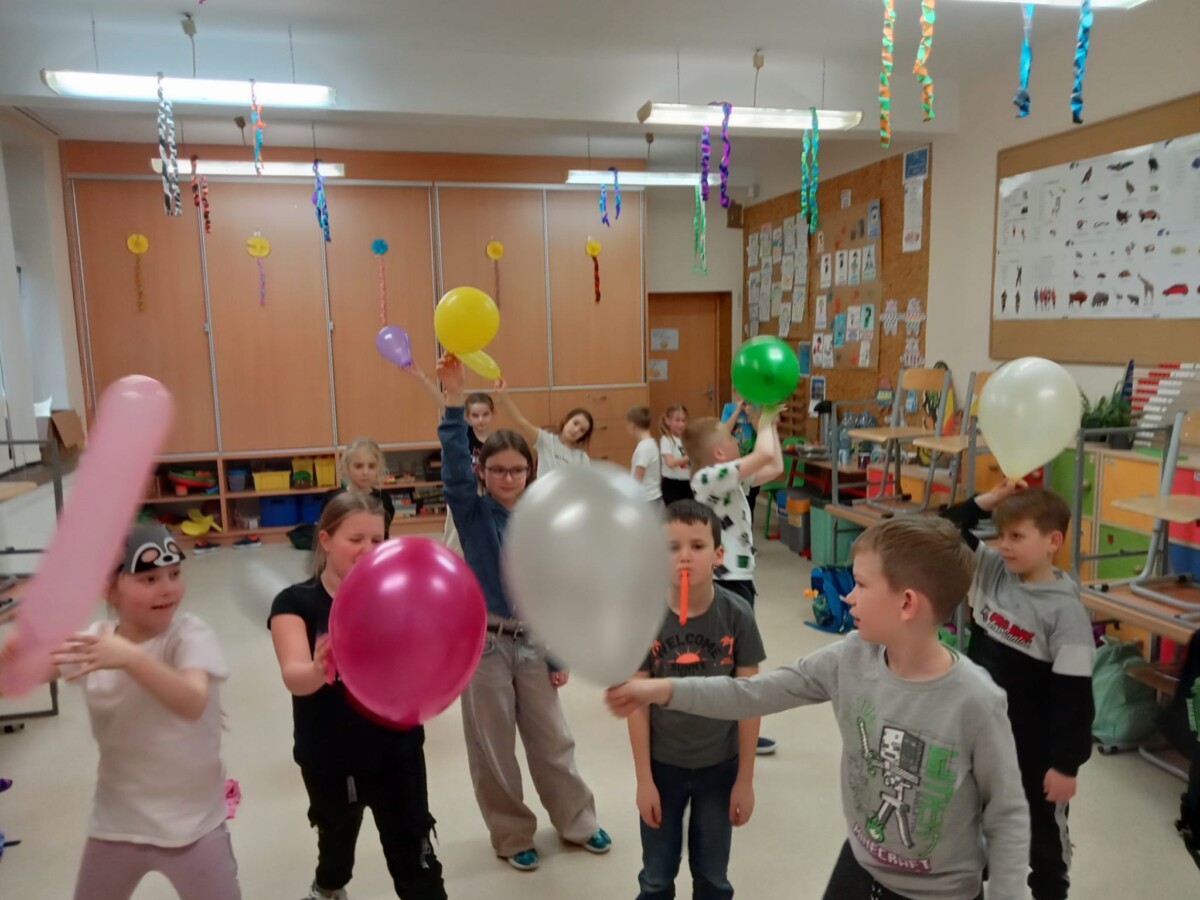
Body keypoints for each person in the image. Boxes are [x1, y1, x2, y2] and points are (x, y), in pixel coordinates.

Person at [607, 516, 1031, 900]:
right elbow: (752, 693)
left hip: (942, 893)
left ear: (906, 603)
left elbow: (1007, 813)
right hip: (860, 867)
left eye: (860, 585)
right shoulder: (849, 658)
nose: (847, 597)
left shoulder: (976, 700)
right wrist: (663, 689)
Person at [0, 524, 241, 900]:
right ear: (109, 589)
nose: (168, 588)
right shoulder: (95, 641)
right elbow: (18, 680)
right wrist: (12, 663)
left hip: (194, 826)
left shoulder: (190, 636)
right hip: (118, 823)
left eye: (175, 573)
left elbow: (193, 701)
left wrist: (131, 659)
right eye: (149, 579)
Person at [438, 353, 610, 872]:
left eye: (517, 469)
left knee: (553, 739)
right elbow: (453, 469)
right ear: (482, 472)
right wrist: (453, 400)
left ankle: (577, 821)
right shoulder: (472, 513)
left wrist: (558, 651)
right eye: (497, 470)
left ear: (530, 472)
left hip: (533, 641)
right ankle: (512, 835)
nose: (508, 477)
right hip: (484, 645)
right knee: (493, 748)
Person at [269, 493, 446, 900]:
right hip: (330, 759)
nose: (368, 550)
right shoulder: (294, 603)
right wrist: (319, 667)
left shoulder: (400, 597)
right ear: (325, 539)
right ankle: (328, 886)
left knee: (416, 859)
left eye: (378, 540)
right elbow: (294, 677)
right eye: (355, 539)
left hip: (397, 752)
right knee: (336, 845)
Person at [944, 481, 1095, 900]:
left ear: (1053, 542)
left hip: (1035, 753)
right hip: (981, 737)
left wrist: (1066, 765)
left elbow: (1075, 699)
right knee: (971, 823)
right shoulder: (992, 570)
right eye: (1001, 535)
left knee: (1043, 839)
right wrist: (987, 501)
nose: (1004, 545)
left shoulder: (1065, 614)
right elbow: (944, 531)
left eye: (1016, 536)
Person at [626, 500, 764, 899]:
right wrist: (644, 780)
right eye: (672, 547)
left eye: (697, 546)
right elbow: (637, 703)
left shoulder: (737, 615)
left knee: (713, 876)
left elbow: (750, 702)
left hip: (720, 767)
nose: (684, 556)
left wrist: (745, 780)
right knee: (656, 876)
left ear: (719, 555)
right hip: (663, 766)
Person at [684, 405, 784, 755]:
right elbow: (764, 454)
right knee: (729, 658)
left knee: (740, 656)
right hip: (723, 582)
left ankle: (740, 730)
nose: (739, 439)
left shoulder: (730, 478)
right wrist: (764, 421)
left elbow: (774, 465)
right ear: (719, 453)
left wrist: (768, 426)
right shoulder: (707, 479)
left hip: (739, 578)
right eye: (732, 437)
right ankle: (724, 731)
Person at [493, 379, 593, 476]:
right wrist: (503, 395)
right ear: (566, 420)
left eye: (582, 430)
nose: (576, 430)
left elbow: (585, 482)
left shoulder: (582, 457)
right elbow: (519, 420)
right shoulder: (545, 440)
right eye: (575, 423)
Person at [320, 436, 395, 536]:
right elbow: (327, 531)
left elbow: (383, 533)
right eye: (358, 466)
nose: (365, 472)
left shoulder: (383, 499)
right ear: (346, 468)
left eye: (371, 466)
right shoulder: (333, 498)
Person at [719, 397, 760, 519]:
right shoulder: (729, 408)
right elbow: (723, 432)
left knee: (750, 500)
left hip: (752, 461)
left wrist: (752, 416)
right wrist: (736, 412)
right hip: (732, 462)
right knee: (731, 498)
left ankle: (748, 526)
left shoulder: (758, 408)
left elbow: (762, 432)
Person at [626, 405, 663, 506]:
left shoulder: (644, 447)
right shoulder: (651, 443)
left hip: (646, 498)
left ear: (632, 425)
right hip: (651, 496)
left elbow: (639, 475)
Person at [659, 404, 693, 506]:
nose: (681, 424)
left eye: (683, 420)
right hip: (672, 485)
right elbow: (670, 463)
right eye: (677, 420)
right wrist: (690, 456)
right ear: (667, 421)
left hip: (687, 482)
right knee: (675, 513)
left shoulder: (686, 439)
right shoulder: (666, 439)